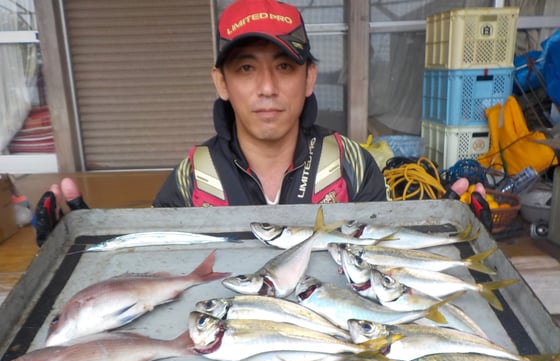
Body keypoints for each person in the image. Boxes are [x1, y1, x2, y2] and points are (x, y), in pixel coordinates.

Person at [33, 0, 486, 246]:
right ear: (222, 82)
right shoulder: (192, 176)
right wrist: (81, 242)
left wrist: (446, 231)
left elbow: (384, 255)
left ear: (309, 78)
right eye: (246, 68)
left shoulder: (351, 163)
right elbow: (156, 261)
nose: (267, 87)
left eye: (284, 67)